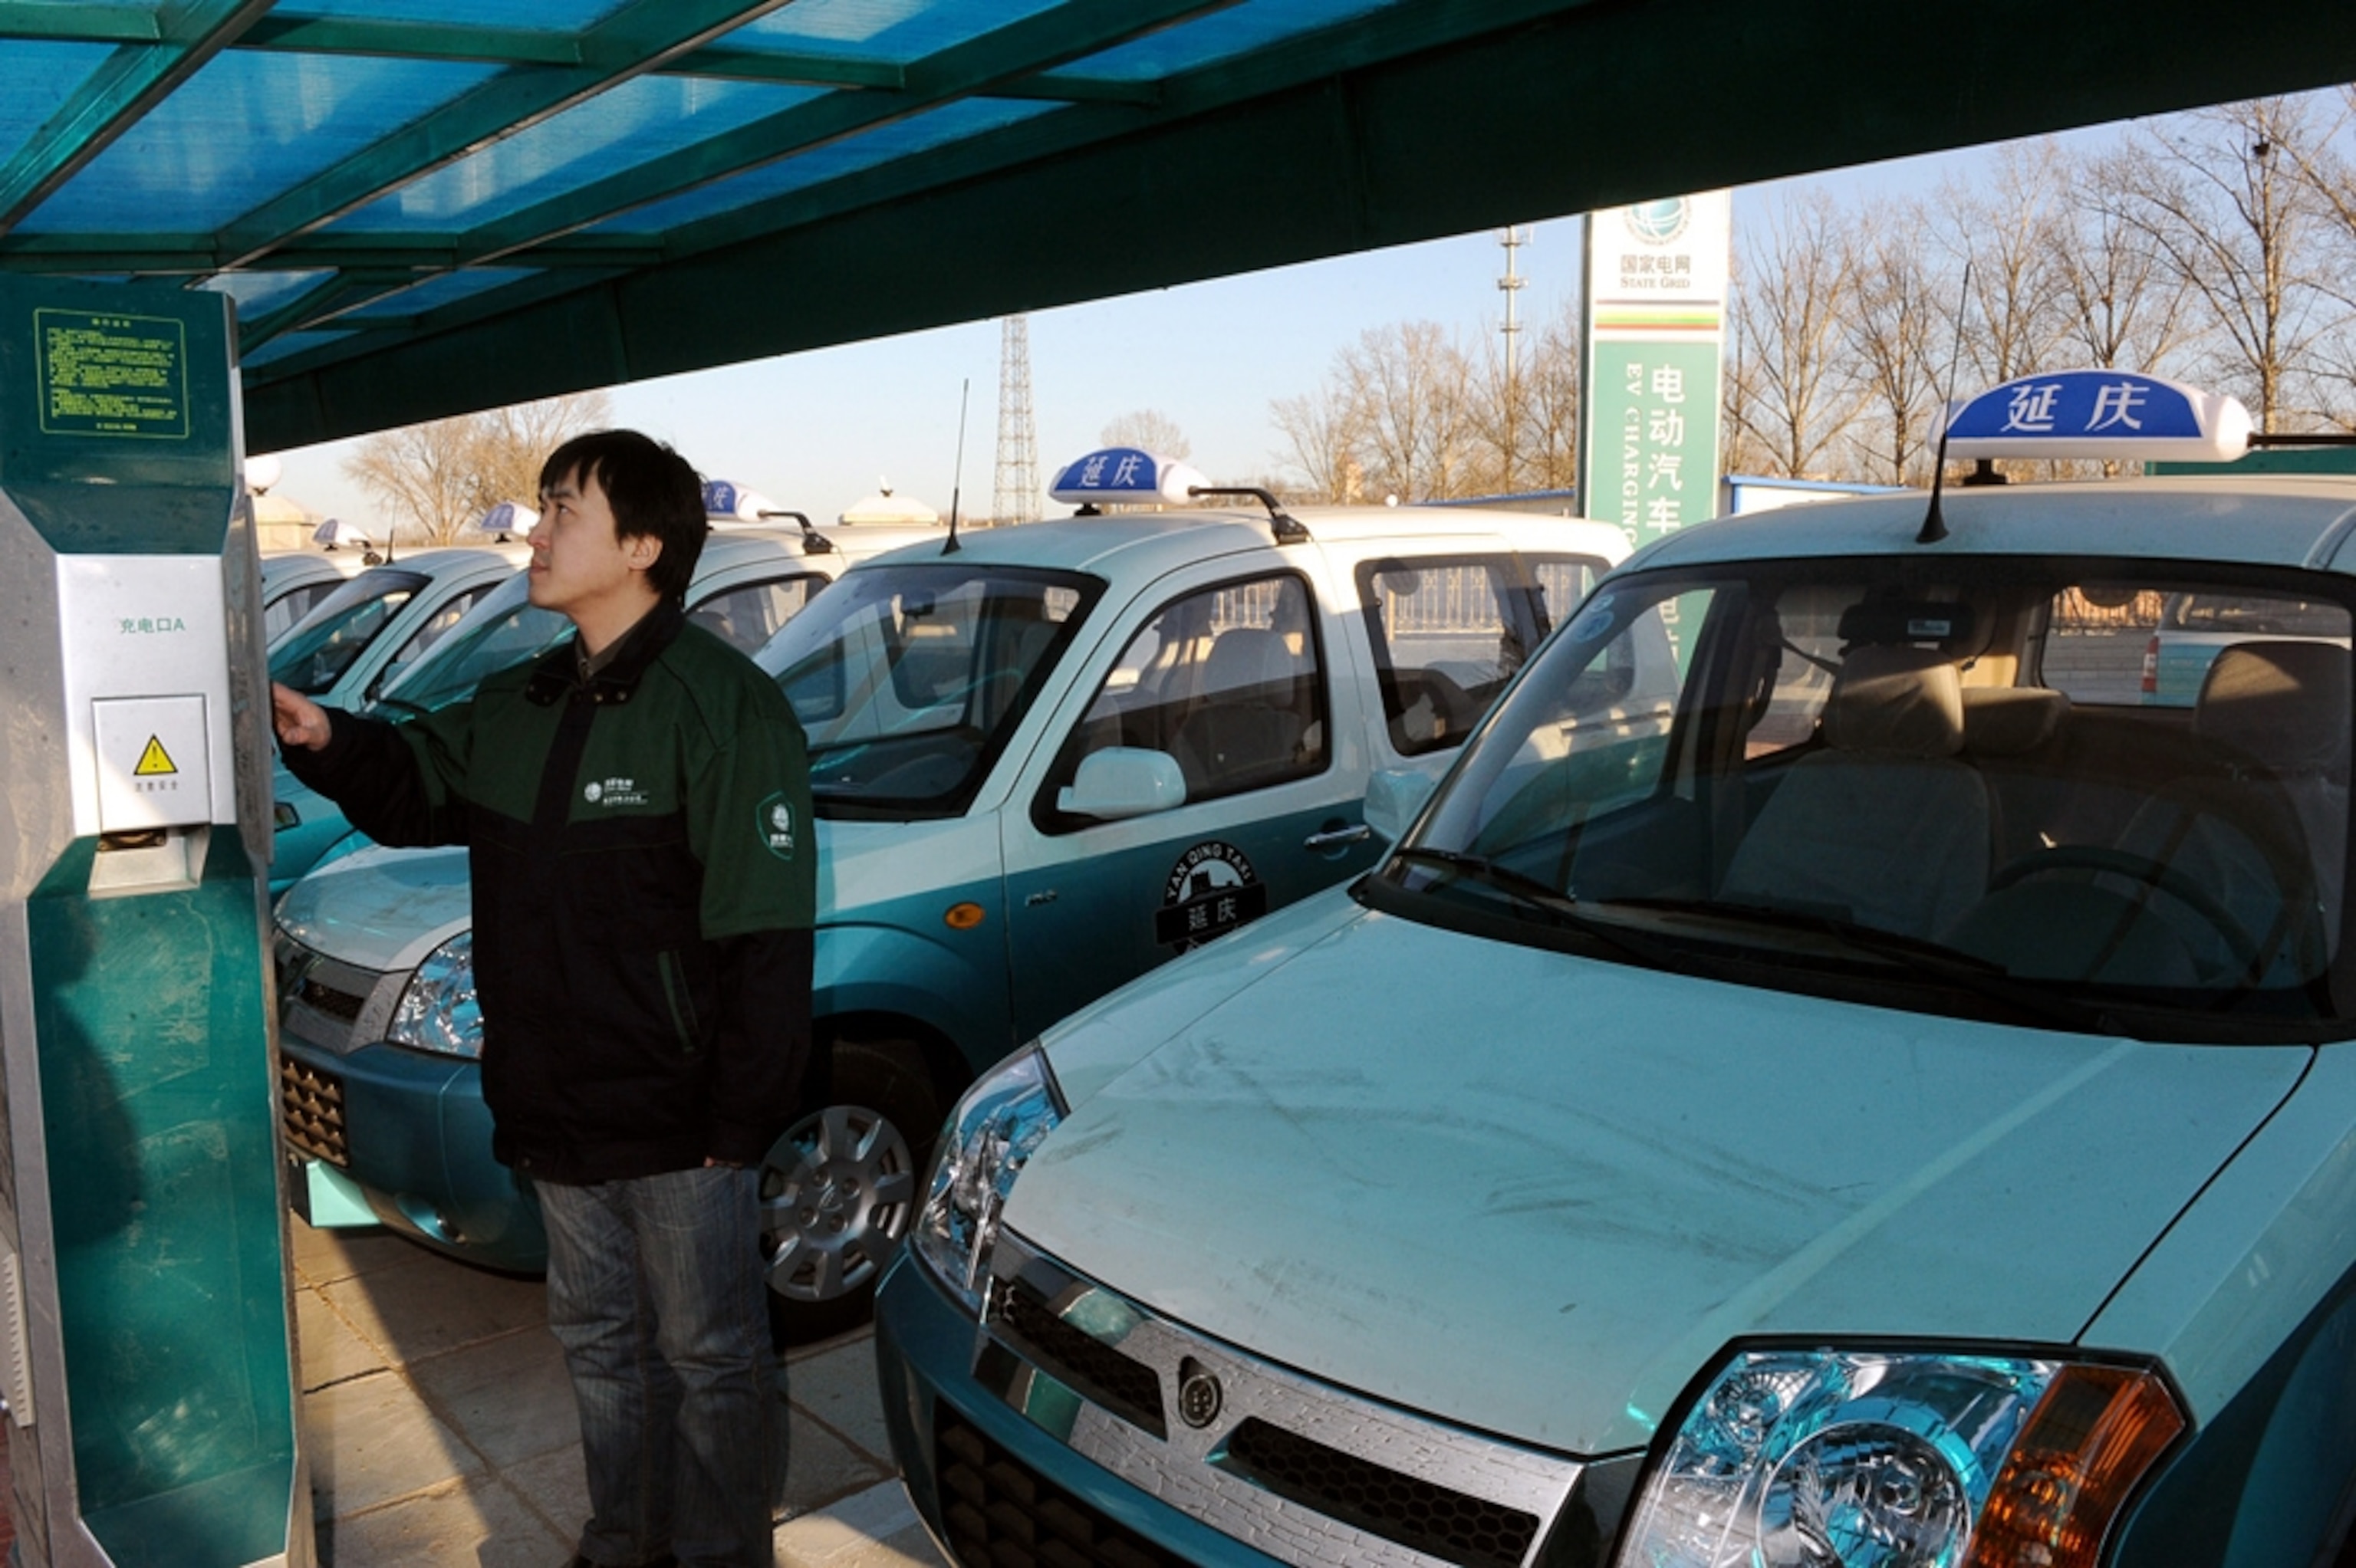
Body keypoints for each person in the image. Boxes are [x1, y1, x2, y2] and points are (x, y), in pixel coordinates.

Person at [274, 429, 814, 1568]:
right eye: (542, 505)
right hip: (556, 1102)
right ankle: (622, 1542)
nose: (535, 528)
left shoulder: (724, 706)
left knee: (711, 1353)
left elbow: (765, 939)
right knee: (601, 1345)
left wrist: (738, 1120)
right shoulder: (524, 699)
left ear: (643, 546)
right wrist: (324, 737)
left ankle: (720, 1554)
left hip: (681, 1125)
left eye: (563, 508)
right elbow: (417, 784)